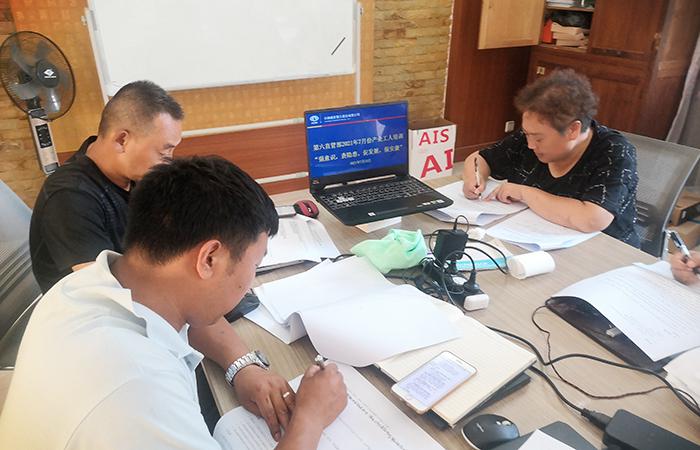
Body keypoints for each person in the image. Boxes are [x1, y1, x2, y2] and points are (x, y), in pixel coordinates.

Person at [0, 156, 348, 449]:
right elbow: (139, 396)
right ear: (209, 258)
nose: (250, 281)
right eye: (255, 264)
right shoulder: (138, 392)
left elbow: (189, 310)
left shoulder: (83, 285)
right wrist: (310, 419)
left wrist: (242, 365)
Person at [30, 80, 184, 294]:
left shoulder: (134, 177)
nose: (168, 161)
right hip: (98, 309)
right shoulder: (70, 196)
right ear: (122, 140)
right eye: (164, 152)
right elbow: (105, 291)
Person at [462, 69, 640, 247]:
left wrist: (524, 193)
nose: (530, 145)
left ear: (572, 130)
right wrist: (474, 178)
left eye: (539, 139)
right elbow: (479, 158)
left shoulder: (614, 152)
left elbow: (593, 219)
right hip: (530, 239)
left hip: (602, 251)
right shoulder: (529, 138)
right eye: (527, 134)